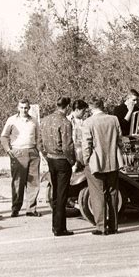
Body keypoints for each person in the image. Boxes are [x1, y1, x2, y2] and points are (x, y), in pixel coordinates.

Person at [82, 97, 124, 235]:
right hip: (113, 161)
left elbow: (86, 145)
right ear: (102, 105)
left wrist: (86, 160)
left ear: (91, 107)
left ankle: (101, 226)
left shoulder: (88, 122)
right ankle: (113, 226)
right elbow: (119, 140)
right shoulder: (114, 119)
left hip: (96, 162)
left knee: (97, 194)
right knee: (113, 193)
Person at [40, 97, 76, 237]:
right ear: (67, 107)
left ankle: (56, 226)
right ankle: (60, 228)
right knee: (62, 195)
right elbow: (67, 146)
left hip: (50, 158)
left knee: (55, 193)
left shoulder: (45, 120)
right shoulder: (65, 122)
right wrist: (72, 161)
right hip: (62, 160)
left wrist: (46, 154)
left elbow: (39, 141)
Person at [0, 98, 41, 218]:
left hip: (32, 152)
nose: (24, 110)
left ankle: (31, 209)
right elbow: (4, 137)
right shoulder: (12, 120)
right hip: (18, 152)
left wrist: (38, 151)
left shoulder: (34, 120)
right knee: (18, 182)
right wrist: (8, 150)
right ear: (18, 108)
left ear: (29, 108)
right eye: (22, 107)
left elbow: (38, 137)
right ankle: (16, 208)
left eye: (26, 107)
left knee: (33, 182)